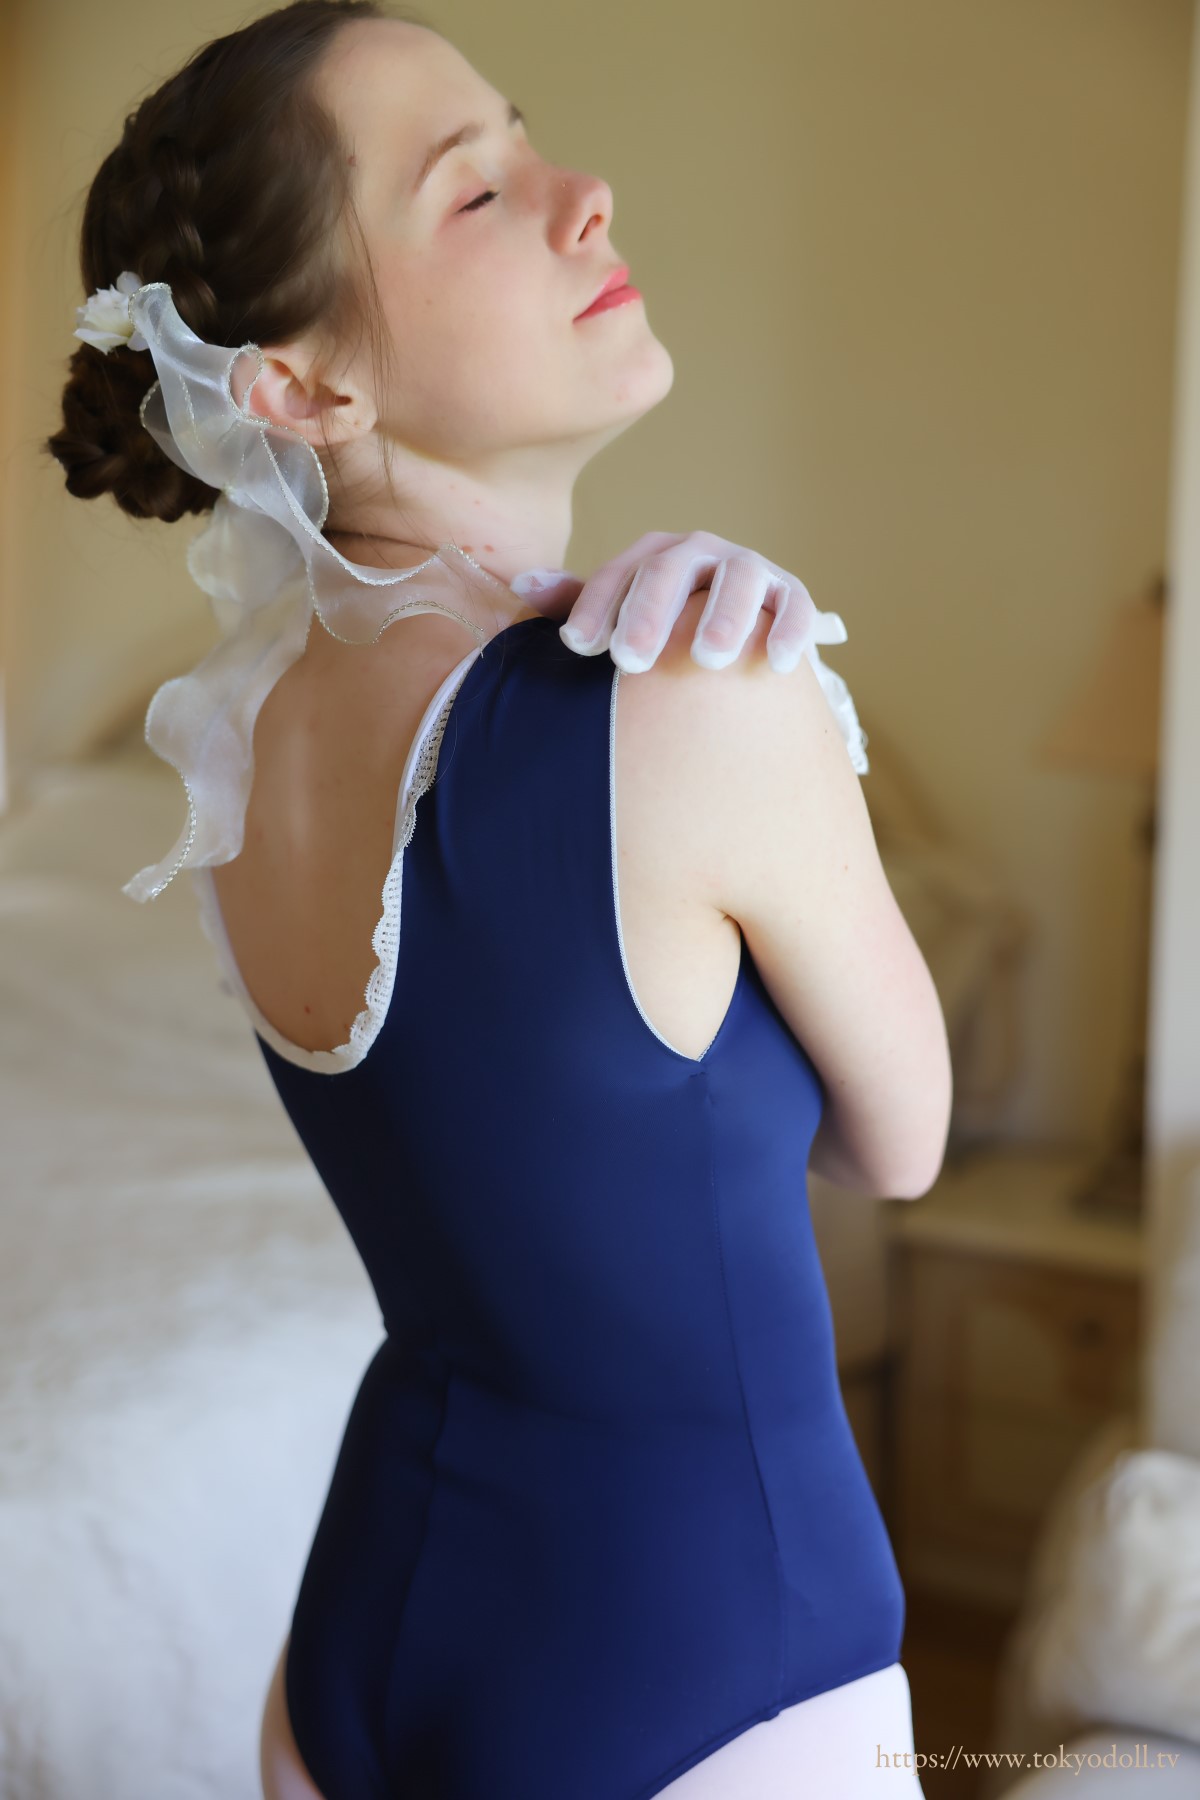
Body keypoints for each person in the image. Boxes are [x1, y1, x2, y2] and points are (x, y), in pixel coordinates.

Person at [44, 4, 952, 1795]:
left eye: (526, 140)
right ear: (302, 390)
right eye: (474, 191)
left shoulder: (238, 743)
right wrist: (763, 683)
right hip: (707, 1659)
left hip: (360, 1649)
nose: (582, 193)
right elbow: (900, 1143)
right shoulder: (698, 697)